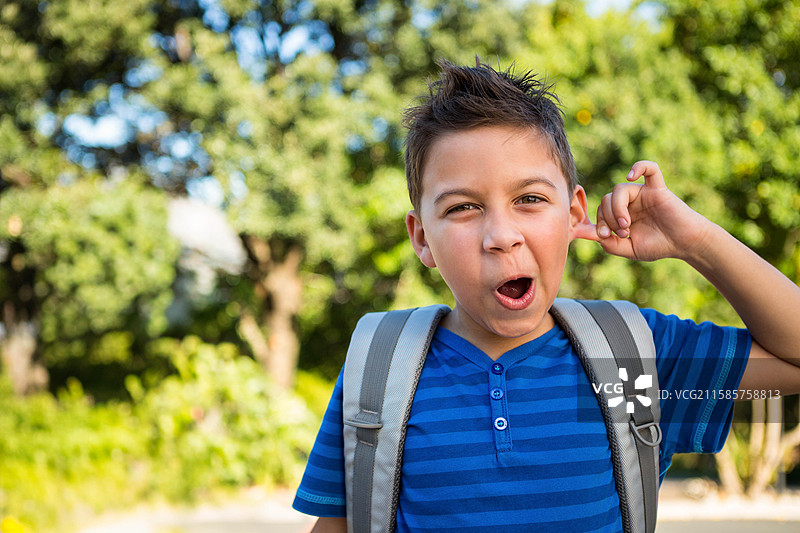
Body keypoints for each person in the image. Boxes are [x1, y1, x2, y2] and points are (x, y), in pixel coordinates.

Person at [292, 59, 800, 532]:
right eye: (463, 208)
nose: (501, 235)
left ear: (574, 214)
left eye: (530, 199)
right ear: (422, 237)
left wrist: (696, 241)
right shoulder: (382, 369)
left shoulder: (629, 359)